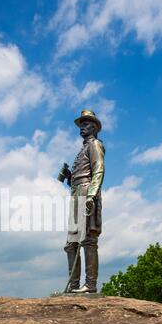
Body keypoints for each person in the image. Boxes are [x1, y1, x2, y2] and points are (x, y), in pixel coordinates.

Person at [63, 109, 105, 293]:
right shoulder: (82, 149)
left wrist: (91, 195)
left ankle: (90, 285)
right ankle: (73, 286)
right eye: (81, 124)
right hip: (76, 193)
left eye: (86, 123)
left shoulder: (95, 145)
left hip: (87, 192)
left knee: (88, 240)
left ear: (95, 127)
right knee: (71, 243)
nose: (82, 127)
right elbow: (81, 175)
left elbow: (99, 170)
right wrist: (69, 177)